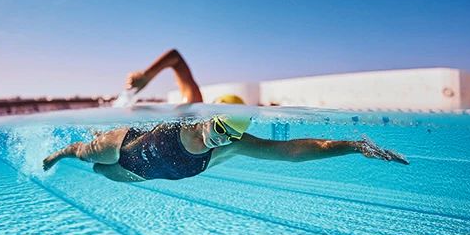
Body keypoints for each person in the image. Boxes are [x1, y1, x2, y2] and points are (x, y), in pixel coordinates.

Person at [43, 49, 408, 182]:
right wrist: (146, 77)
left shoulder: (233, 144)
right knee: (91, 154)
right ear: (210, 116)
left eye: (229, 135)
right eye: (218, 127)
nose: (220, 139)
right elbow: (176, 58)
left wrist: (355, 146)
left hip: (140, 174)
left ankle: (91, 148)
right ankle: (63, 151)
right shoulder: (189, 112)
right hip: (126, 145)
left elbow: (295, 150)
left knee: (104, 175)